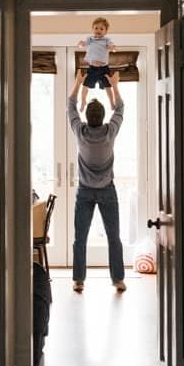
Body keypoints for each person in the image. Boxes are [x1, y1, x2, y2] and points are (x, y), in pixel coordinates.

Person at [66, 69, 126, 293]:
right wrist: (114, 85)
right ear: (102, 118)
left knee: (80, 238)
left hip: (84, 192)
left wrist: (78, 83)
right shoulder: (110, 132)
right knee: (114, 237)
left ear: (87, 118)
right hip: (107, 191)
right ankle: (118, 280)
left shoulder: (80, 132)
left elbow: (70, 106)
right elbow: (120, 108)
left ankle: (78, 281)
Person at [76, 17, 117, 111]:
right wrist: (81, 44)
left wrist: (112, 48)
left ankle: (111, 102)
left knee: (108, 86)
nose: (98, 30)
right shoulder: (90, 39)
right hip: (92, 68)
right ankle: (83, 101)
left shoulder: (107, 40)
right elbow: (84, 44)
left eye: (101, 29)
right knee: (85, 85)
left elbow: (111, 46)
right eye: (96, 28)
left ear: (106, 31)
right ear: (92, 29)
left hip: (104, 68)